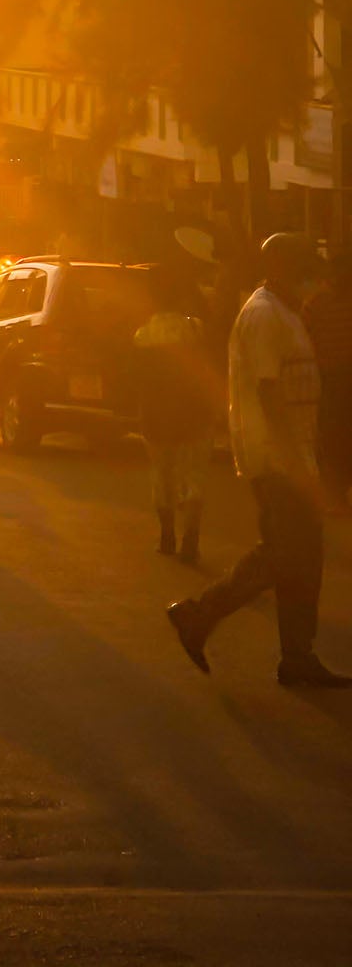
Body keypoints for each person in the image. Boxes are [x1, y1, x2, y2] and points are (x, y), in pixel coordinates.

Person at [167, 233, 350, 687]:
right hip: (275, 456)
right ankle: (199, 614)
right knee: (286, 552)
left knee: (303, 556)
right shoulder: (265, 314)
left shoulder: (287, 311)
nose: (311, 279)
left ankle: (298, 656)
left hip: (296, 453)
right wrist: (295, 460)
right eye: (303, 269)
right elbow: (269, 393)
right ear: (282, 269)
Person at [133, 260, 218, 562]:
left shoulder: (142, 336)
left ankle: (167, 537)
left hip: (156, 416)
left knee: (162, 475)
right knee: (193, 477)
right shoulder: (195, 329)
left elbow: (137, 381)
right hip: (194, 414)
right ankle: (191, 540)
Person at [306, 254, 352, 511]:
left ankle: (335, 493)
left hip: (331, 378)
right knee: (335, 436)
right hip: (332, 378)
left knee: (333, 436)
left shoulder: (315, 302)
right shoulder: (317, 302)